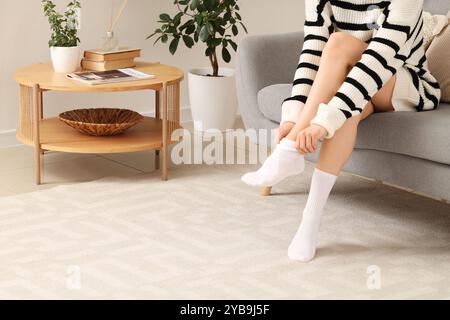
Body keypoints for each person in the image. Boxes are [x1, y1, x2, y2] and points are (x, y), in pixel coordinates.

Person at [242, 0, 441, 262]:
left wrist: (324, 120)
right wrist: (294, 116)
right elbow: (313, 51)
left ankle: (288, 149)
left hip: (403, 81)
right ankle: (309, 223)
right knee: (349, 112)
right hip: (356, 79)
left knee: (338, 44)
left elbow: (381, 58)